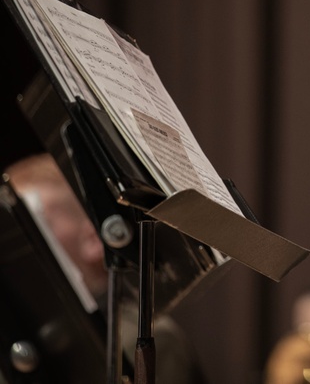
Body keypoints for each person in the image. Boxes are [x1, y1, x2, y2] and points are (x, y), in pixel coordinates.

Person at [4, 153, 206, 384]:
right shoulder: (24, 338)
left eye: (34, 220)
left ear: (92, 237)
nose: (21, 242)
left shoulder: (151, 339)